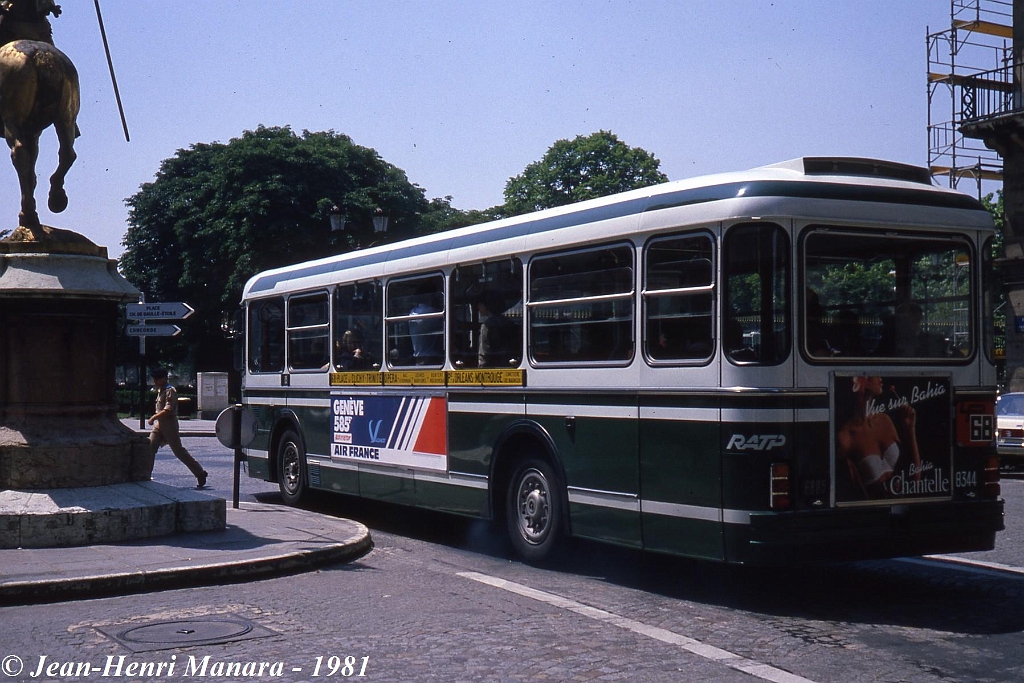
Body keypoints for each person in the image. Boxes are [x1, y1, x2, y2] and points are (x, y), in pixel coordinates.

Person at [836, 376, 920, 499]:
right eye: (875, 372)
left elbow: (916, 481)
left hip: (906, 504)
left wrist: (911, 431)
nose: (880, 378)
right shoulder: (845, 437)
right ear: (864, 381)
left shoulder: (884, 420)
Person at [148, 367, 208, 489]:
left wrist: (153, 417)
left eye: (157, 379)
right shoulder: (161, 391)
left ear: (164, 378)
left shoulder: (171, 391)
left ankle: (200, 473)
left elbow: (168, 410)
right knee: (150, 447)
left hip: (169, 424)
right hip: (159, 425)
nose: (155, 381)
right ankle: (145, 474)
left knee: (178, 451)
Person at [476, 293, 509, 367]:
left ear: (488, 305)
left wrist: (481, 367)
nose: (478, 307)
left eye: (481, 304)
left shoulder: (487, 325)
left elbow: (484, 352)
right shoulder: (508, 322)